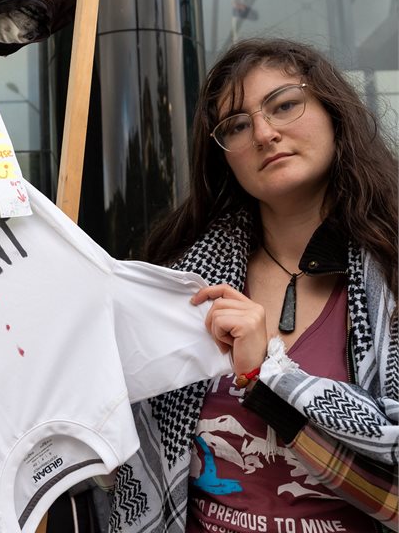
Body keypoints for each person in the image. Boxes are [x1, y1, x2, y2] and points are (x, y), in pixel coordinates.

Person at [108, 38, 398, 532]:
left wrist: (268, 375)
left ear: (334, 113)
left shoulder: (390, 275)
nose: (264, 133)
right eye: (237, 125)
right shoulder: (183, 283)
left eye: (284, 105)